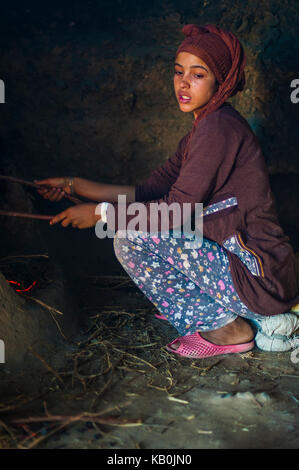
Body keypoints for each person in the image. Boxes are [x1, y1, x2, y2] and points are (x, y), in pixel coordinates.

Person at [36, 24, 299, 359]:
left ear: (220, 80)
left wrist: (102, 214)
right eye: (178, 72)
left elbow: (176, 210)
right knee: (138, 222)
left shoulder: (219, 129)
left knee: (130, 235)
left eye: (198, 74)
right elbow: (149, 190)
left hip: (258, 276)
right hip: (247, 273)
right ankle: (216, 310)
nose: (183, 84)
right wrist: (74, 186)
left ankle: (227, 328)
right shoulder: (202, 130)